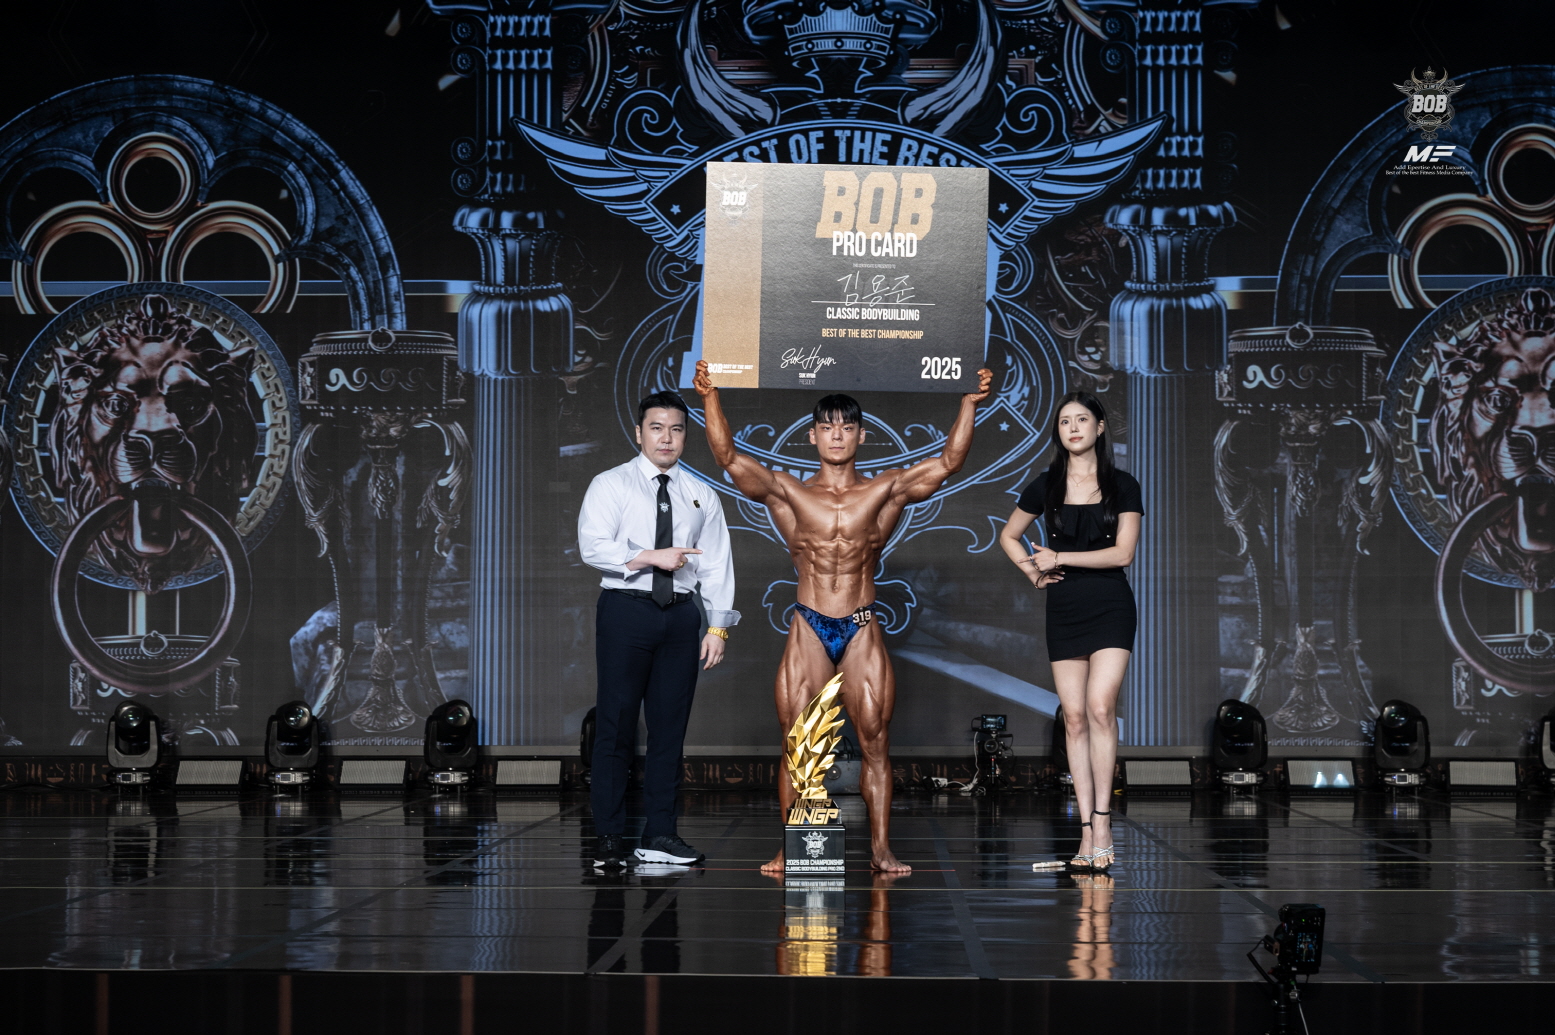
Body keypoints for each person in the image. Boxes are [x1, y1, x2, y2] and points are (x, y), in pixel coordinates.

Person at [694, 359, 994, 874]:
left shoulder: (884, 490)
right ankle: (790, 849)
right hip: (810, 623)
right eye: (827, 427)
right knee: (797, 744)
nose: (837, 435)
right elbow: (728, 458)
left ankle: (880, 850)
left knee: (875, 742)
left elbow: (948, 462)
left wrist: (968, 403)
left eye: (847, 427)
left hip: (860, 627)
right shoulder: (788, 492)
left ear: (861, 436)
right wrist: (710, 397)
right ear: (812, 436)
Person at [578, 390, 740, 869]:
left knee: (670, 731)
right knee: (615, 727)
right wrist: (649, 557)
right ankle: (609, 838)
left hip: (681, 617)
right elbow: (592, 546)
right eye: (656, 428)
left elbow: (717, 566)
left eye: (675, 429)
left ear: (685, 436)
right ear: (638, 433)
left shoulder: (701, 494)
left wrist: (718, 628)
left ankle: (661, 835)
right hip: (625, 611)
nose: (666, 438)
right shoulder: (611, 484)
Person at [998, 391, 1141, 872]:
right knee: (1074, 719)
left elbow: (1123, 554)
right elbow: (1009, 536)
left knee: (1100, 708)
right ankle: (1085, 831)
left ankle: (1103, 824)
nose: (1073, 428)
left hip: (1111, 604)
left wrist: (1058, 556)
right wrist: (1033, 573)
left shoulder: (1123, 485)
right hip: (1064, 607)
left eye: (1082, 419)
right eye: (1064, 421)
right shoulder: (1046, 485)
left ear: (1100, 427)